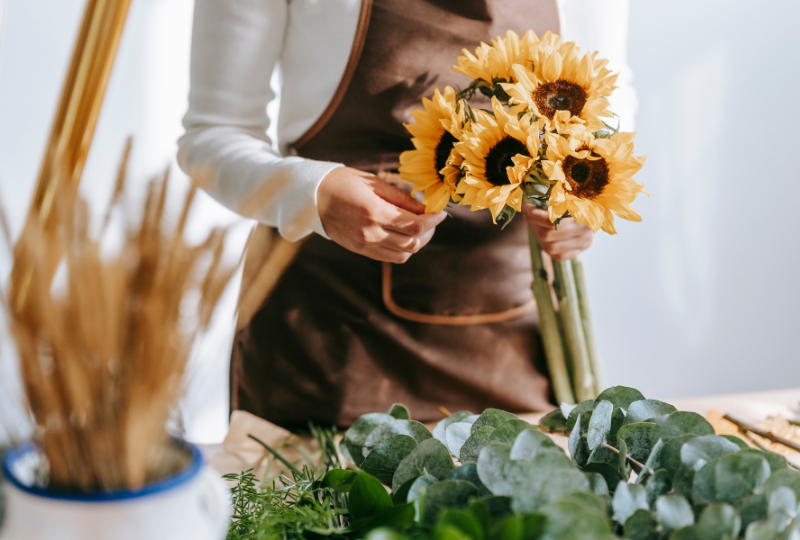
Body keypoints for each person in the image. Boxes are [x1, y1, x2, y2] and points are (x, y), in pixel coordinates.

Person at [178, 0, 636, 429]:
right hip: (328, 331)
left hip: (516, 336)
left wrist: (584, 194)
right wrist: (311, 193)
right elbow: (213, 133)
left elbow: (609, 93)